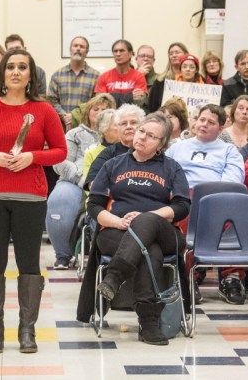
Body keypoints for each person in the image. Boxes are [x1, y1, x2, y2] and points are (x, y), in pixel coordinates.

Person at [0, 48, 67, 354]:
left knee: (29, 263)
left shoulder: (44, 110)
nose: (17, 72)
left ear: (31, 75)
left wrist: (33, 157)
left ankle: (27, 331)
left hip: (30, 196)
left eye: (23, 67)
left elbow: (60, 151)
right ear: (2, 74)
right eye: (11, 67)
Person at [86, 113, 190, 346]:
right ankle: (149, 323)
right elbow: (93, 204)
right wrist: (116, 221)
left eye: (151, 136)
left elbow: (183, 206)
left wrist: (147, 216)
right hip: (116, 231)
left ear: (161, 144)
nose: (142, 137)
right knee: (148, 251)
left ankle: (115, 276)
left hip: (164, 232)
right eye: (142, 131)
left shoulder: (171, 168)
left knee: (146, 223)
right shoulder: (113, 164)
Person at [165, 104, 246, 304]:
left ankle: (231, 278)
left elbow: (234, 180)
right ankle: (188, 278)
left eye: (211, 122)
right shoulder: (177, 147)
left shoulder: (229, 151)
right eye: (201, 120)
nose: (204, 125)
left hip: (217, 201)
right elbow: (164, 176)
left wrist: (208, 195)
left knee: (235, 221)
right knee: (180, 220)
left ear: (220, 128)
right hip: (182, 199)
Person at [46, 94, 113, 270]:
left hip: (108, 182)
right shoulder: (75, 134)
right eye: (95, 108)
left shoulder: (117, 136)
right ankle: (62, 255)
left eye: (104, 109)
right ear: (88, 112)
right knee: (59, 199)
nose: (99, 112)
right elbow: (60, 160)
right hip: (73, 179)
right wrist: (81, 178)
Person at [84, 104, 146, 188]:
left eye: (133, 122)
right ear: (118, 128)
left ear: (143, 126)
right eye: (123, 123)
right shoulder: (108, 153)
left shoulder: (151, 151)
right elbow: (92, 184)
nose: (128, 127)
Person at [47, 36, 100, 130]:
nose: (78, 48)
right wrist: (65, 116)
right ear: (70, 49)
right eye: (75, 45)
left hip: (86, 128)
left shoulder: (96, 76)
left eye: (82, 46)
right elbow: (51, 100)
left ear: (86, 52)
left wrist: (75, 116)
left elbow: (97, 103)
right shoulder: (58, 75)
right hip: (61, 127)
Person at [94, 39, 148, 107]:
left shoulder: (139, 76)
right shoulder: (104, 77)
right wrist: (129, 96)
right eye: (115, 51)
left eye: (121, 51)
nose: (118, 54)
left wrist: (110, 96)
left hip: (131, 115)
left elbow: (138, 102)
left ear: (130, 54)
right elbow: (101, 102)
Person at [82, 109, 119, 180]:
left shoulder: (130, 150)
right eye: (117, 124)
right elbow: (89, 184)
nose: (123, 128)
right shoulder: (91, 153)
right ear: (104, 130)